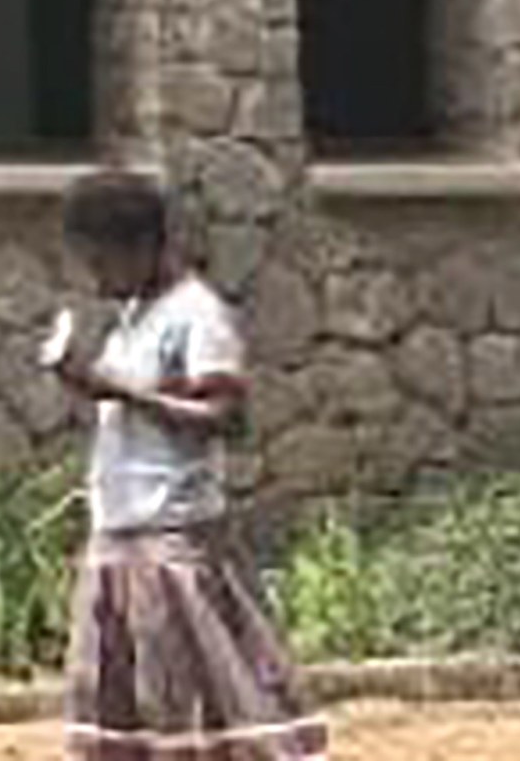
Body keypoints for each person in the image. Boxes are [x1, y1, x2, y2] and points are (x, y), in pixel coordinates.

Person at [51, 170, 326, 761]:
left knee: (202, 692)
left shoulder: (196, 314)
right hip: (123, 532)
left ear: (143, 247)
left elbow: (227, 416)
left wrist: (119, 391)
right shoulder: (135, 314)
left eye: (101, 263)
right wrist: (99, 387)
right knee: (136, 701)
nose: (96, 278)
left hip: (174, 539)